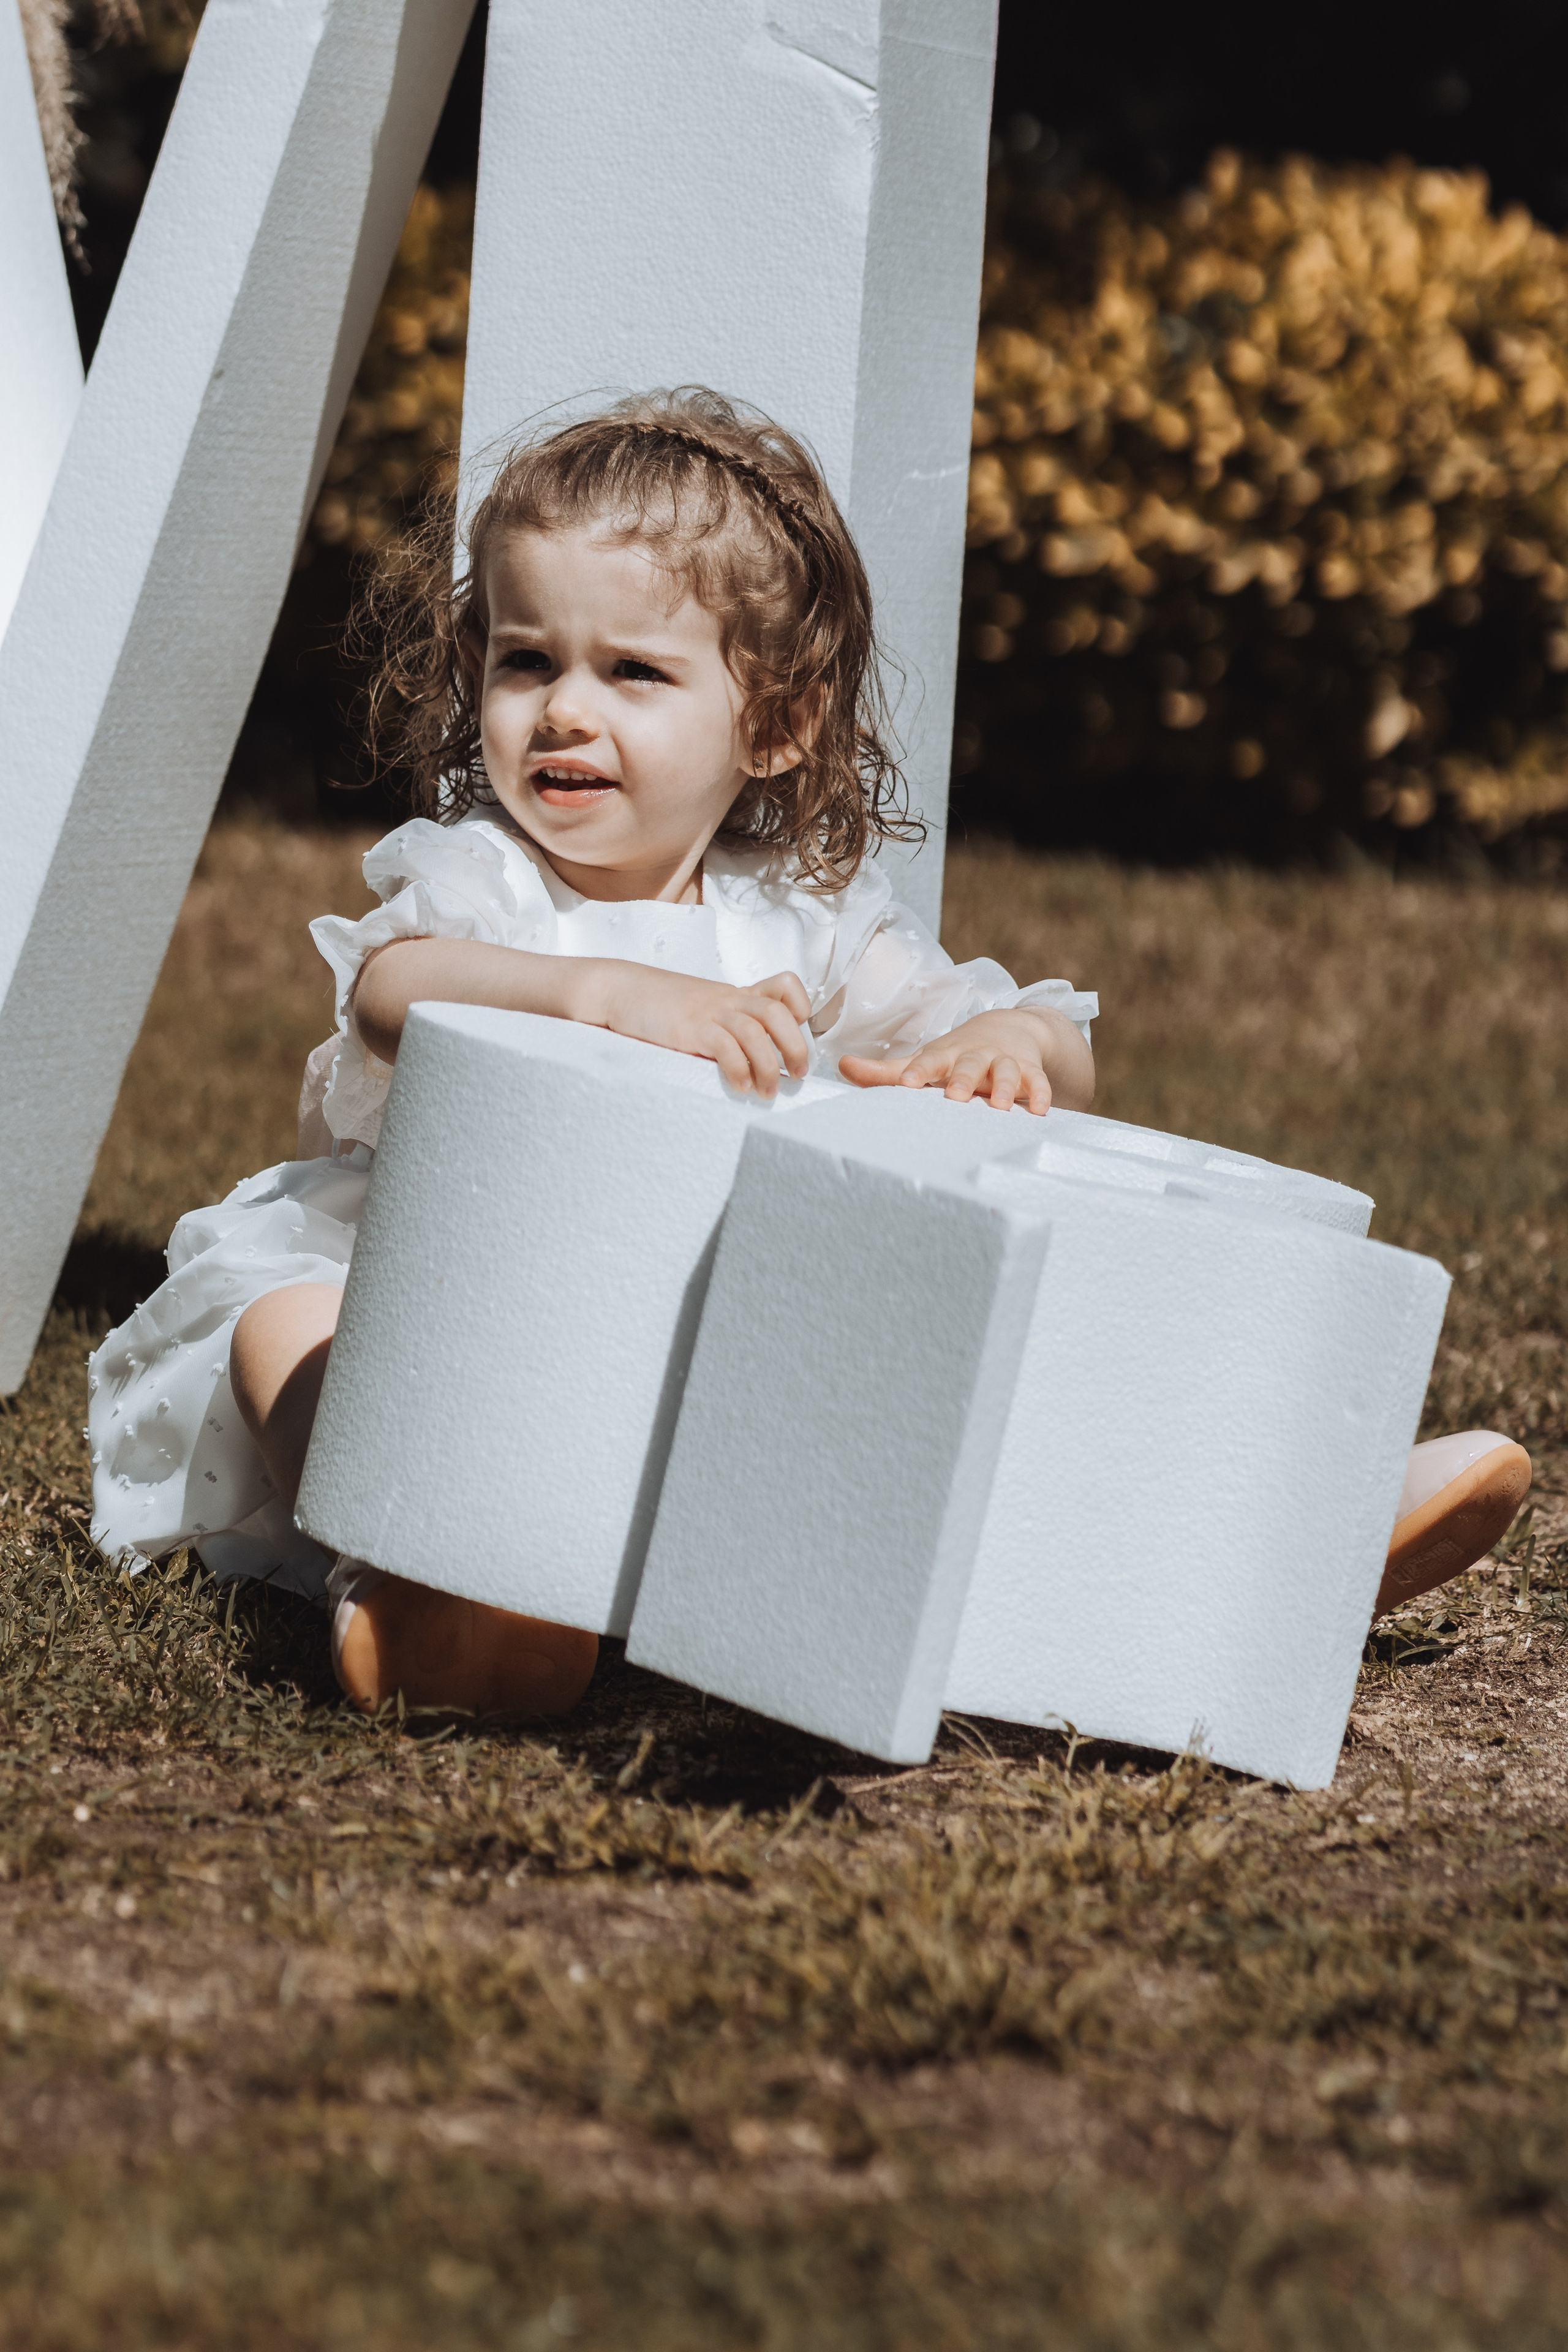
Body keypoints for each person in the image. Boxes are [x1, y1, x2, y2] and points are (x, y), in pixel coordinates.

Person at [88, 388, 1530, 1720]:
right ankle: (420, 1581)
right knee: (287, 1317)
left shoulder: (803, 926)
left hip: (720, 1345)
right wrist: (597, 994)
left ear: (772, 721)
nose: (564, 709)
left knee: (994, 1331)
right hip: (469, 1324)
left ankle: (1273, 1534)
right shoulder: (487, 885)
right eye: (526, 662)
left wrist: (1008, 1048)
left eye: (631, 671)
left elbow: (1047, 1046)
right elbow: (391, 991)